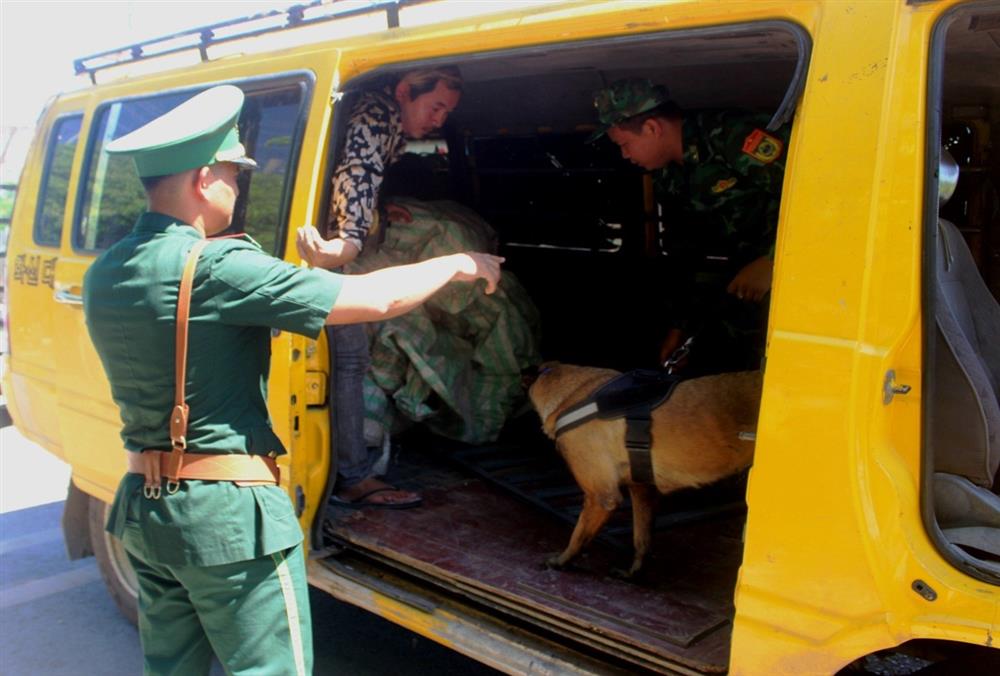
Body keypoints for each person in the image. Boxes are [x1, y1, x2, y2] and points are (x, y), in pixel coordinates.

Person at [82, 85, 501, 676]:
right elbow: (372, 297)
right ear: (205, 179)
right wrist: (458, 262)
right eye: (233, 172)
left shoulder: (108, 270)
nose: (238, 184)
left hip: (146, 509)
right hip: (225, 519)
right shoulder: (218, 268)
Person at [295, 67, 462, 508]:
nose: (439, 120)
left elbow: (353, 176)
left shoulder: (383, 116)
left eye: (447, 111)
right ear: (406, 91)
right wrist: (347, 243)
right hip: (327, 265)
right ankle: (352, 476)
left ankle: (344, 468)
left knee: (350, 361)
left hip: (332, 256)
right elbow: (357, 171)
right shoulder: (375, 115)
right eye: (435, 106)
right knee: (350, 361)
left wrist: (381, 212)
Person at [591, 78, 790, 373]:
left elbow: (828, 191)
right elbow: (689, 253)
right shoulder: (669, 176)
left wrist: (775, 260)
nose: (625, 155)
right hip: (746, 291)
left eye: (625, 144)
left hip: (804, 283)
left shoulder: (731, 136)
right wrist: (680, 329)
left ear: (652, 129)